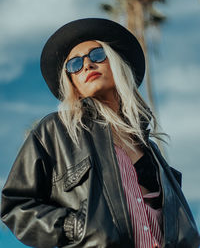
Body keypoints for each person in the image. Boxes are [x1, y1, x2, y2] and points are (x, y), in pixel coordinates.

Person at [1, 18, 199, 248]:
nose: (86, 65)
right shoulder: (53, 131)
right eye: (74, 64)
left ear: (115, 62)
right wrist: (74, 227)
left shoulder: (149, 149)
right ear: (72, 82)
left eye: (96, 55)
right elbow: (15, 206)